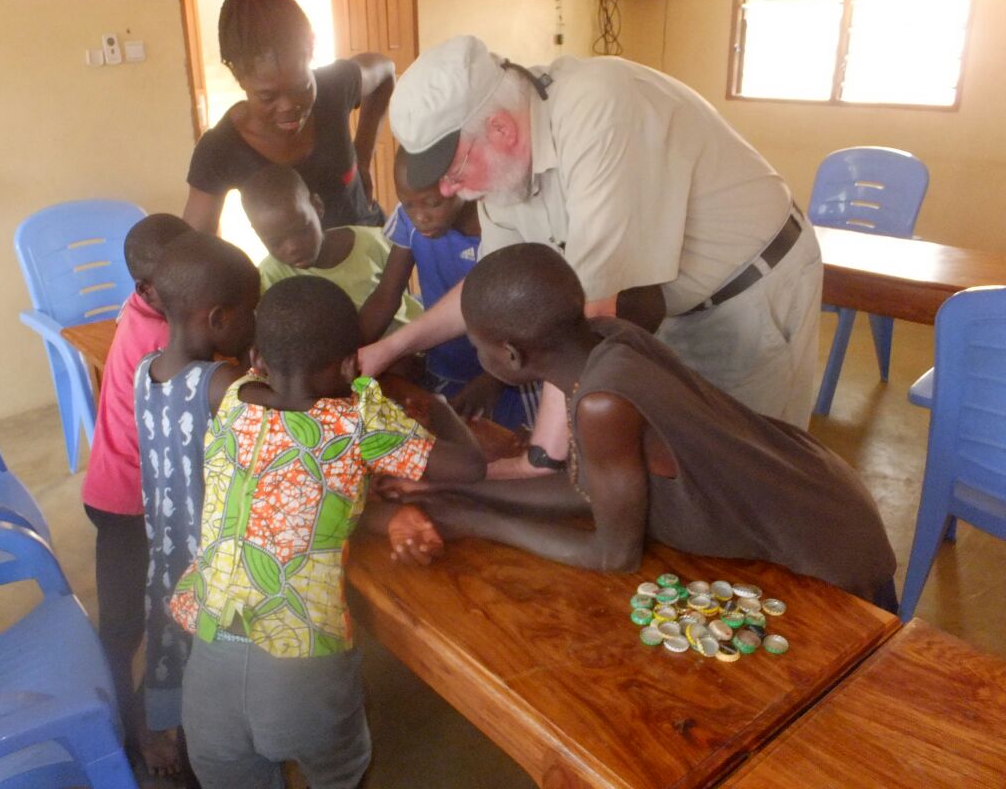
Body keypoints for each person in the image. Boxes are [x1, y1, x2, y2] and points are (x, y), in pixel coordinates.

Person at [362, 35, 822, 463]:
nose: (450, 189)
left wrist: (540, 458)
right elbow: (491, 284)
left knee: (751, 469)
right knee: (684, 464)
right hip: (672, 312)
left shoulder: (598, 108)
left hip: (747, 292)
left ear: (501, 130)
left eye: (453, 171)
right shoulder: (499, 164)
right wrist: (388, 349)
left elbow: (586, 316)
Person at [389, 244, 897, 610]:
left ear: (511, 355)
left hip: (830, 554)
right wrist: (459, 490)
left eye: (476, 344)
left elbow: (614, 553)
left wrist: (469, 519)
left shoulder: (603, 404)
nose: (474, 355)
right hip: (825, 495)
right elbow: (589, 491)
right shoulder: (609, 341)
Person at [167, 276, 485, 789]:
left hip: (208, 663)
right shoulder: (359, 422)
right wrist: (439, 408)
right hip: (304, 666)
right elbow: (471, 467)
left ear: (258, 359)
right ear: (347, 365)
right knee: (338, 775)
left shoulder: (232, 401)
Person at [133, 230, 261, 757]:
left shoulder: (147, 371)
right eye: (250, 312)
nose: (255, 322)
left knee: (170, 636)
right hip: (213, 554)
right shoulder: (223, 381)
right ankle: (227, 741)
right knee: (224, 646)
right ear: (219, 320)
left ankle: (172, 731)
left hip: (166, 542)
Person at [80, 212, 190, 775]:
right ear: (148, 288)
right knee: (126, 626)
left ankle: (140, 718)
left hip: (119, 488)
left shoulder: (141, 307)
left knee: (154, 615)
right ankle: (135, 735)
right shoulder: (161, 338)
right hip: (128, 501)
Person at [183, 0, 395, 234]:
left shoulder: (334, 88)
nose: (288, 107)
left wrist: (363, 154)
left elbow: (386, 71)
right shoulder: (221, 150)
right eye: (267, 97)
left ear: (310, 50)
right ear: (239, 78)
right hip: (299, 270)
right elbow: (196, 243)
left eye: (300, 88)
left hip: (371, 251)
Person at [359, 148, 539, 431]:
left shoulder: (501, 225)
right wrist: (351, 355)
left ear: (461, 185)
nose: (420, 217)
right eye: (408, 205)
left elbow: (535, 315)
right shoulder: (410, 220)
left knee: (513, 445)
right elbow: (386, 297)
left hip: (513, 374)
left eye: (432, 203)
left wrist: (496, 379)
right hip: (445, 366)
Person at [244, 163, 422, 334]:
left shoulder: (372, 241)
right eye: (275, 242)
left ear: (317, 207)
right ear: (258, 234)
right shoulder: (269, 277)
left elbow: (400, 292)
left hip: (415, 338)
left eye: (302, 230)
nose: (292, 247)